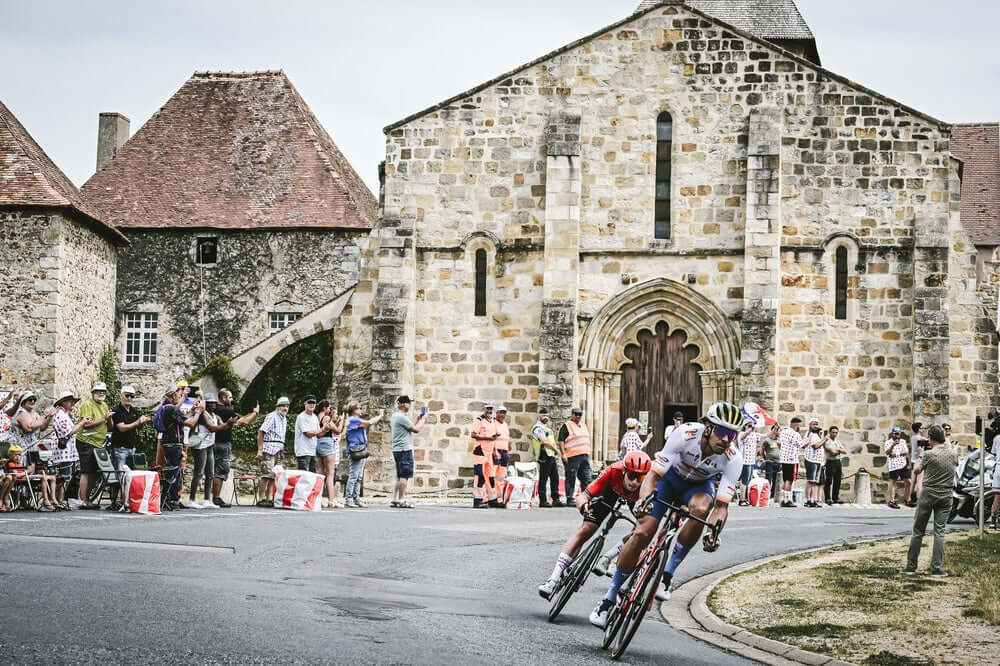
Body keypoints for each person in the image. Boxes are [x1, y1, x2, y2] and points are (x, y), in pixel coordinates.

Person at [589, 402, 745, 629]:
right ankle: (609, 598)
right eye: (722, 432)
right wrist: (644, 501)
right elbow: (653, 476)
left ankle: (668, 574)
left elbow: (721, 506)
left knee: (702, 509)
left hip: (698, 488)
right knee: (642, 533)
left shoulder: (733, 458)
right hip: (668, 480)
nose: (726, 439)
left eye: (732, 435)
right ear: (708, 427)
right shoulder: (685, 434)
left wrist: (713, 533)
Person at [537, 450, 652, 600]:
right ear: (624, 471)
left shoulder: (647, 485)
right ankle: (553, 579)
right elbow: (583, 496)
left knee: (641, 531)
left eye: (640, 477)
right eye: (631, 476)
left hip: (637, 500)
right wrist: (583, 506)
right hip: (609, 492)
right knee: (585, 530)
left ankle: (608, 557)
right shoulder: (613, 471)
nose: (635, 482)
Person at [902, 425, 958, 575]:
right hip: (946, 494)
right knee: (940, 532)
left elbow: (916, 470)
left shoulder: (928, 454)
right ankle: (936, 567)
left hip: (929, 492)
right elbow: (955, 464)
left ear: (931, 438)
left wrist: (920, 455)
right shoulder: (953, 454)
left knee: (918, 531)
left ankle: (911, 566)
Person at [211, 389, 258, 507]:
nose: (232, 400)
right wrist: (255, 413)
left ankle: (208, 497)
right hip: (223, 443)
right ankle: (216, 497)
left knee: (211, 470)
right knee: (220, 471)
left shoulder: (213, 408)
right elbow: (244, 422)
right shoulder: (227, 411)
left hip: (211, 442)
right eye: (230, 397)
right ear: (223, 398)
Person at [160, 387, 203, 510]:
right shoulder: (172, 409)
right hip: (174, 444)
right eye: (179, 395)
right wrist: (199, 412)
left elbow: (183, 419)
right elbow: (191, 423)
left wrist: (193, 410)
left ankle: (171, 499)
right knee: (174, 473)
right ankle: (169, 499)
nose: (180, 398)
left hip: (169, 443)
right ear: (173, 396)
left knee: (175, 471)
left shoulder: (167, 408)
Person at [108, 386, 150, 509]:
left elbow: (138, 427)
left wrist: (142, 422)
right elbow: (121, 428)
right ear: (121, 396)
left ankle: (126, 500)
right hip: (119, 447)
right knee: (119, 476)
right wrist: (137, 422)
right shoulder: (117, 410)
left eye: (132, 396)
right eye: (127, 395)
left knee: (130, 476)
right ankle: (114, 501)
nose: (129, 398)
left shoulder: (134, 410)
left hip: (131, 447)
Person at [188, 393, 230, 507]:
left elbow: (224, 428)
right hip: (200, 446)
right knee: (199, 473)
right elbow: (211, 428)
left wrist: (230, 424)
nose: (213, 405)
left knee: (210, 474)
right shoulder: (203, 415)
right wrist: (227, 424)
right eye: (210, 403)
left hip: (210, 445)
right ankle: (192, 499)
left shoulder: (215, 416)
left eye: (214, 403)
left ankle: (207, 500)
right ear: (205, 404)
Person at [77, 382, 114, 509]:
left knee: (95, 472)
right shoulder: (88, 404)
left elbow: (110, 427)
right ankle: (83, 500)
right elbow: (86, 424)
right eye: (98, 391)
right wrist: (104, 418)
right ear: (93, 393)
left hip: (98, 443)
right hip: (86, 441)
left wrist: (109, 419)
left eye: (103, 391)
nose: (101, 393)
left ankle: (88, 499)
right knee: (86, 471)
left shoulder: (104, 405)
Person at [343, 402, 383, 508]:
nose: (361, 409)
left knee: (359, 476)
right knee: (354, 475)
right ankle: (349, 499)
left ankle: (356, 498)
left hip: (361, 450)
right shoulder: (353, 420)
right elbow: (369, 422)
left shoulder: (355, 420)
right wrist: (380, 415)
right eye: (359, 408)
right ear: (354, 410)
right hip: (356, 450)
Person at [390, 395, 426, 509]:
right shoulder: (401, 417)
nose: (409, 405)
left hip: (397, 449)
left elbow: (410, 427)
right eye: (407, 403)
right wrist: (424, 419)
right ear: (402, 404)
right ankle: (402, 499)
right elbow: (416, 429)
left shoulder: (396, 416)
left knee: (399, 476)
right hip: (404, 449)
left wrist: (418, 419)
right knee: (404, 476)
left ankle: (395, 499)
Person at [256, 397, 290, 507]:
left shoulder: (284, 419)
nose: (285, 408)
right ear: (278, 406)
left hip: (279, 449)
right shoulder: (272, 416)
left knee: (274, 476)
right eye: (283, 405)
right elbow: (261, 432)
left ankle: (269, 498)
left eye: (287, 406)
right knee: (266, 474)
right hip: (269, 448)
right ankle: (261, 498)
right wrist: (260, 449)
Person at [559, 407, 592, 504]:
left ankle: (585, 498)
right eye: (576, 414)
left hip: (584, 456)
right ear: (572, 415)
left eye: (579, 414)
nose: (578, 416)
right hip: (572, 456)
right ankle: (570, 498)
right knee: (571, 477)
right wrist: (563, 454)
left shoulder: (584, 425)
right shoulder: (567, 425)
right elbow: (561, 440)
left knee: (586, 478)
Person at [315, 400, 344, 509]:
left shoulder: (316, 417)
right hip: (327, 443)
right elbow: (337, 431)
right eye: (328, 408)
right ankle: (331, 500)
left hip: (318, 443)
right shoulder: (326, 418)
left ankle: (317, 499)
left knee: (320, 472)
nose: (329, 410)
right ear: (324, 408)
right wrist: (342, 421)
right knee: (330, 474)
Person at [531, 407, 562, 507]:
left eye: (547, 415)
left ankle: (555, 499)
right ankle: (543, 501)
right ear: (538, 416)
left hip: (550, 455)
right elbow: (544, 441)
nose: (545, 417)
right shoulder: (538, 428)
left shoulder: (546, 428)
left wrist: (554, 452)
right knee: (543, 479)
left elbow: (551, 440)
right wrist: (556, 450)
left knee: (555, 478)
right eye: (543, 415)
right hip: (543, 455)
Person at [471, 404, 500, 508]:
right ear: (484, 409)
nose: (489, 410)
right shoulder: (479, 420)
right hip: (480, 451)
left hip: (489, 452)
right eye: (487, 408)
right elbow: (473, 435)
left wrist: (495, 451)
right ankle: (477, 501)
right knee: (480, 476)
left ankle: (492, 500)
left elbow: (494, 438)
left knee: (490, 476)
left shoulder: (493, 421)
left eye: (491, 409)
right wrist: (488, 438)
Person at [294, 395, 326, 473]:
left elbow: (319, 435)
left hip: (313, 451)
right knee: (304, 476)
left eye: (313, 403)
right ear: (305, 404)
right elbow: (308, 434)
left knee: (312, 476)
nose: (311, 404)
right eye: (309, 402)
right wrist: (322, 429)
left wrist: (326, 429)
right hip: (303, 452)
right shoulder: (301, 417)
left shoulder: (315, 417)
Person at [778, 417, 803, 507]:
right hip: (792, 460)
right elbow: (802, 445)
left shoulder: (783, 432)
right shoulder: (795, 434)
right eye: (799, 426)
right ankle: (787, 500)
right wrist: (808, 440)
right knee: (790, 480)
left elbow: (779, 443)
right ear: (795, 425)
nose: (799, 428)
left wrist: (784, 451)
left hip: (784, 459)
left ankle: (784, 499)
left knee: (785, 479)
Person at [801, 418, 826, 508]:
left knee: (814, 482)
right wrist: (825, 439)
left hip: (817, 461)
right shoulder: (810, 434)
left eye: (816, 424)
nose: (815, 426)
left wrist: (821, 437)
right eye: (814, 424)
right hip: (811, 460)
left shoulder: (816, 435)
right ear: (810, 424)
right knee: (811, 481)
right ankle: (808, 500)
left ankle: (813, 499)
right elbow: (816, 446)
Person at [884, 426, 910, 509]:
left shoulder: (903, 441)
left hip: (903, 464)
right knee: (893, 482)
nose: (897, 435)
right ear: (892, 434)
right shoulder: (888, 442)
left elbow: (906, 451)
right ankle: (892, 501)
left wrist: (895, 454)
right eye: (895, 433)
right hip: (894, 465)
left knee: (908, 482)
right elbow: (888, 453)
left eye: (898, 434)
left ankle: (907, 500)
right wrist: (893, 445)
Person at [823, 426, 847, 504]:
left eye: (836, 432)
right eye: (833, 432)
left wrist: (838, 450)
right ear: (830, 432)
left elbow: (845, 451)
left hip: (838, 461)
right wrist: (839, 450)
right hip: (830, 462)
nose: (835, 434)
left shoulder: (837, 441)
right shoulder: (827, 441)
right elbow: (832, 453)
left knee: (837, 480)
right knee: (829, 480)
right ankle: (827, 498)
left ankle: (835, 498)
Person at [737, 420, 758, 506]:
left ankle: (745, 498)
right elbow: (742, 437)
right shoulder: (742, 433)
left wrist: (774, 430)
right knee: (744, 481)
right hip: (744, 461)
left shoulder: (753, 435)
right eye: (749, 426)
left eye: (752, 426)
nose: (751, 427)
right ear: (745, 426)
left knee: (748, 481)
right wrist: (750, 429)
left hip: (751, 461)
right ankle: (741, 500)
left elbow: (765, 436)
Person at [493, 405, 511, 504]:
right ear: (497, 413)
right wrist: (494, 451)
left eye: (504, 413)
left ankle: (499, 498)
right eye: (500, 412)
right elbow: (492, 439)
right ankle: (492, 498)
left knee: (501, 477)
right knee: (493, 476)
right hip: (496, 452)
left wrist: (507, 452)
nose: (502, 415)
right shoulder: (493, 423)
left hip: (504, 453)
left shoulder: (505, 425)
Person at [760, 424, 781, 500]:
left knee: (776, 480)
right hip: (770, 462)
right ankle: (766, 494)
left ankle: (772, 495)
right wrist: (765, 458)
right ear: (774, 431)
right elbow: (762, 451)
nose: (779, 432)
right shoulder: (767, 441)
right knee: (768, 479)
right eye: (778, 430)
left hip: (778, 462)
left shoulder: (779, 441)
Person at [908, 422, 927, 507]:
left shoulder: (913, 437)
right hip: (919, 460)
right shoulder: (920, 438)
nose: (923, 429)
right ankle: (919, 499)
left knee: (913, 481)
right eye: (922, 428)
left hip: (913, 461)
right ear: (919, 429)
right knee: (919, 481)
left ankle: (910, 498)